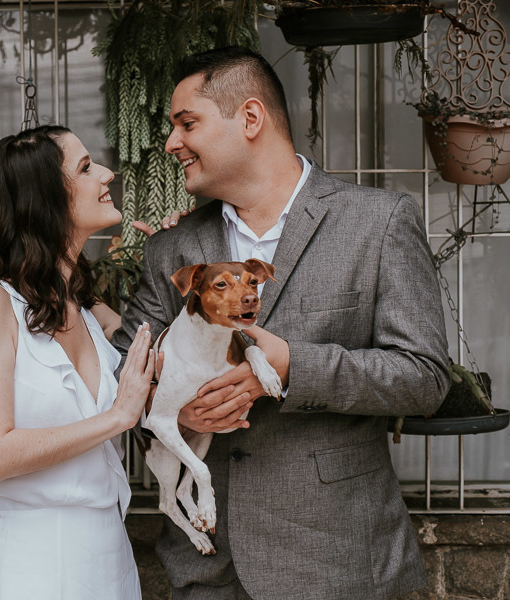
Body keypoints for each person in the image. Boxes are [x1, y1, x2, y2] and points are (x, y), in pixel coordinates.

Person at [112, 46, 451, 600]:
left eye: (187, 124)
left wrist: (294, 366)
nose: (172, 143)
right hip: (208, 571)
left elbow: (424, 377)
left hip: (337, 564)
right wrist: (168, 408)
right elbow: (123, 377)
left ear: (250, 117)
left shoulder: (379, 223)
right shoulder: (172, 249)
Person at [0, 125, 159, 600]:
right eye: (85, 168)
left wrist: (170, 257)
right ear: (44, 199)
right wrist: (116, 418)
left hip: (109, 557)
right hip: (33, 565)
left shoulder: (85, 305)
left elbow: (158, 355)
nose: (107, 173)